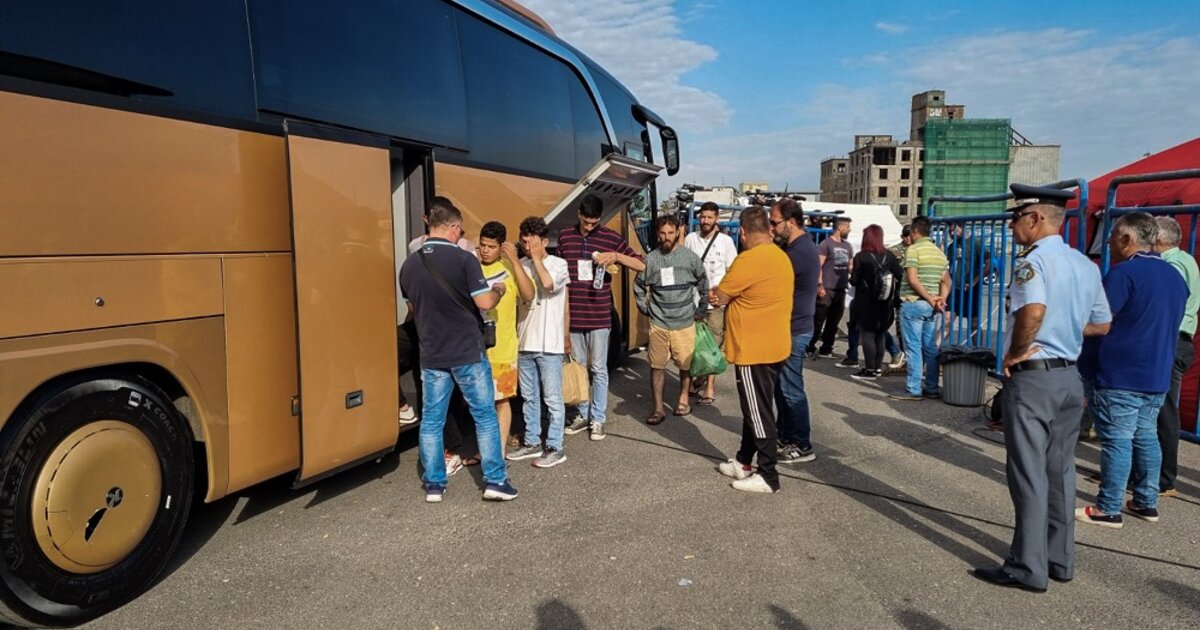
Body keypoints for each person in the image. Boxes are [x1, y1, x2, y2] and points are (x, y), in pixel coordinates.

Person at [972, 184, 1110, 592]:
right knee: (1060, 471)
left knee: (1028, 473)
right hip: (1068, 376)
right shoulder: (1084, 264)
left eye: (1016, 217)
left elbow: (1032, 312)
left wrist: (1016, 352)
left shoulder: (1031, 263)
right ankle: (1058, 559)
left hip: (1034, 378)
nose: (1012, 225)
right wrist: (1065, 330)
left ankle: (1026, 566)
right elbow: (1102, 323)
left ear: (1035, 218)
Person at [397, 197, 518, 503]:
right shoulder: (465, 260)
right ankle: (495, 481)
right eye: (460, 231)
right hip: (467, 352)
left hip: (431, 355)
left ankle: (434, 485)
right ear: (452, 226)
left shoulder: (409, 265)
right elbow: (484, 302)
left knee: (431, 420)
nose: (460, 236)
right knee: (485, 416)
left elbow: (414, 309)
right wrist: (499, 289)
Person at [1076, 212, 1187, 529]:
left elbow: (1100, 321)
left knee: (1117, 440)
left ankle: (1108, 508)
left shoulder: (1123, 275)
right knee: (1146, 436)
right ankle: (1145, 501)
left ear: (1127, 238)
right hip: (1157, 372)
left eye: (1112, 236)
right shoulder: (1174, 277)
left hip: (1119, 373)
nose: (1108, 243)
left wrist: (1065, 329)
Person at [709, 206, 793, 493]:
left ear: (743, 232)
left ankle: (768, 475)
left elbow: (720, 296)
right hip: (775, 344)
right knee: (756, 406)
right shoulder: (780, 257)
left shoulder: (748, 260)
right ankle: (744, 460)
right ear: (767, 228)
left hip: (753, 349)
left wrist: (721, 295)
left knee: (758, 413)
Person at [557, 194, 646, 441]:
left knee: (598, 368)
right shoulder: (565, 237)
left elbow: (641, 264)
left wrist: (616, 256)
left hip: (599, 317)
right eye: (585, 222)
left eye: (594, 223)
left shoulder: (611, 238)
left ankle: (598, 418)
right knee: (578, 368)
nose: (589, 227)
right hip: (573, 316)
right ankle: (582, 414)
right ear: (579, 214)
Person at [505, 217, 572, 468]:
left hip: (550, 344)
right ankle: (532, 441)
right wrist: (519, 260)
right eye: (523, 242)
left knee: (552, 399)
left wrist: (535, 258)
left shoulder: (559, 264)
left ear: (544, 241)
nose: (527, 247)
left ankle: (555, 446)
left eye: (531, 242)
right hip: (524, 342)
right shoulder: (519, 264)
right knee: (529, 397)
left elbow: (548, 284)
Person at [635, 214, 708, 424]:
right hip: (659, 324)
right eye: (662, 233)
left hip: (684, 323)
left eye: (670, 233)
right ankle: (658, 408)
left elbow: (703, 283)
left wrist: (701, 309)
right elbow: (638, 285)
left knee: (685, 365)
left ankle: (683, 400)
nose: (666, 237)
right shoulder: (651, 259)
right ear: (657, 234)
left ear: (677, 233)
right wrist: (646, 308)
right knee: (657, 366)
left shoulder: (689, 258)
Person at [768, 198, 820, 464]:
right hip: (791, 328)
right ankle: (787, 436)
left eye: (774, 223)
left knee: (790, 389)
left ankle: (801, 443)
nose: (772, 228)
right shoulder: (797, 247)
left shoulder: (797, 253)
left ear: (791, 222)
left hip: (794, 329)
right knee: (782, 387)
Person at [1152, 216, 1199, 499]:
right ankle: (1144, 473)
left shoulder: (1173, 265)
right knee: (1158, 408)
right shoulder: (1184, 260)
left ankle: (1164, 478)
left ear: (1158, 238)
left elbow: (1168, 304)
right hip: (1177, 340)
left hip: (1172, 340)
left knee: (1164, 410)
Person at [889, 216, 950, 401]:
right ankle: (932, 387)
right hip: (932, 307)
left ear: (915, 232)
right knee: (930, 347)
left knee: (913, 348)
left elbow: (913, 279)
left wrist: (930, 298)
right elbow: (946, 281)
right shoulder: (939, 253)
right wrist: (940, 299)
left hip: (914, 303)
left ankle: (914, 389)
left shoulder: (913, 250)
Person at [684, 202, 738, 406]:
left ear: (716, 219)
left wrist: (724, 294)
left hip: (716, 303)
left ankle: (709, 388)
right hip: (694, 302)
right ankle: (697, 378)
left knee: (713, 347)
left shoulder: (726, 242)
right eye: (703, 217)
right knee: (696, 345)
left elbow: (732, 271)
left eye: (709, 217)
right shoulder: (691, 238)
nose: (705, 221)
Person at [478, 221, 519, 457]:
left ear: (501, 247)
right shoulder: (471, 268)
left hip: (503, 348)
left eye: (491, 246)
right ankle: (486, 449)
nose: (485, 250)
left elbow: (528, 294)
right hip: (476, 349)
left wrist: (515, 261)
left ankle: (499, 451)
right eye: (482, 245)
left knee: (502, 401)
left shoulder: (510, 269)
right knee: (482, 404)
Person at [848, 225, 903, 381]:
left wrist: (851, 270)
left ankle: (869, 370)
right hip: (886, 302)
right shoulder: (889, 256)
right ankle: (877, 368)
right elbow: (900, 275)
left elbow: (854, 281)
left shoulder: (861, 257)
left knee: (868, 334)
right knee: (880, 334)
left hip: (866, 302)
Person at [807, 217, 853, 359]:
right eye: (848, 227)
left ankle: (826, 348)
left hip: (840, 288)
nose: (849, 230)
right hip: (827, 288)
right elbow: (818, 266)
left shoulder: (848, 246)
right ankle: (809, 347)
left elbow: (850, 266)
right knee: (818, 320)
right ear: (840, 227)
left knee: (833, 322)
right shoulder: (825, 244)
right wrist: (820, 285)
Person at [945, 224, 994, 344]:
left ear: (962, 228)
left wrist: (974, 281)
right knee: (947, 320)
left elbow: (989, 264)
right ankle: (934, 350)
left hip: (970, 290)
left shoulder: (976, 243)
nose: (951, 234)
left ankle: (978, 349)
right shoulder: (952, 246)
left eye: (954, 230)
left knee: (974, 322)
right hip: (954, 290)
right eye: (949, 231)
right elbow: (945, 264)